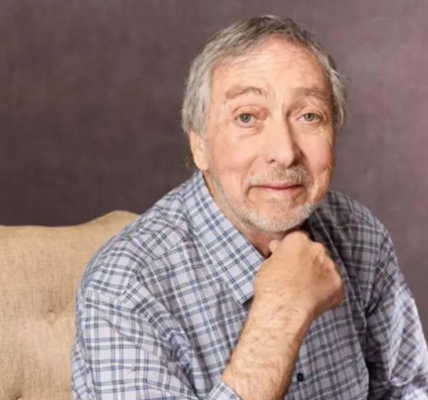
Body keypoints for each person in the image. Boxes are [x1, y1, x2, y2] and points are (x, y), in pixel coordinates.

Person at [72, 15, 428, 400]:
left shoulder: (360, 236)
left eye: (309, 115)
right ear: (199, 145)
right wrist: (281, 314)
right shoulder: (125, 288)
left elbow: (410, 390)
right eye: (247, 117)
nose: (284, 152)